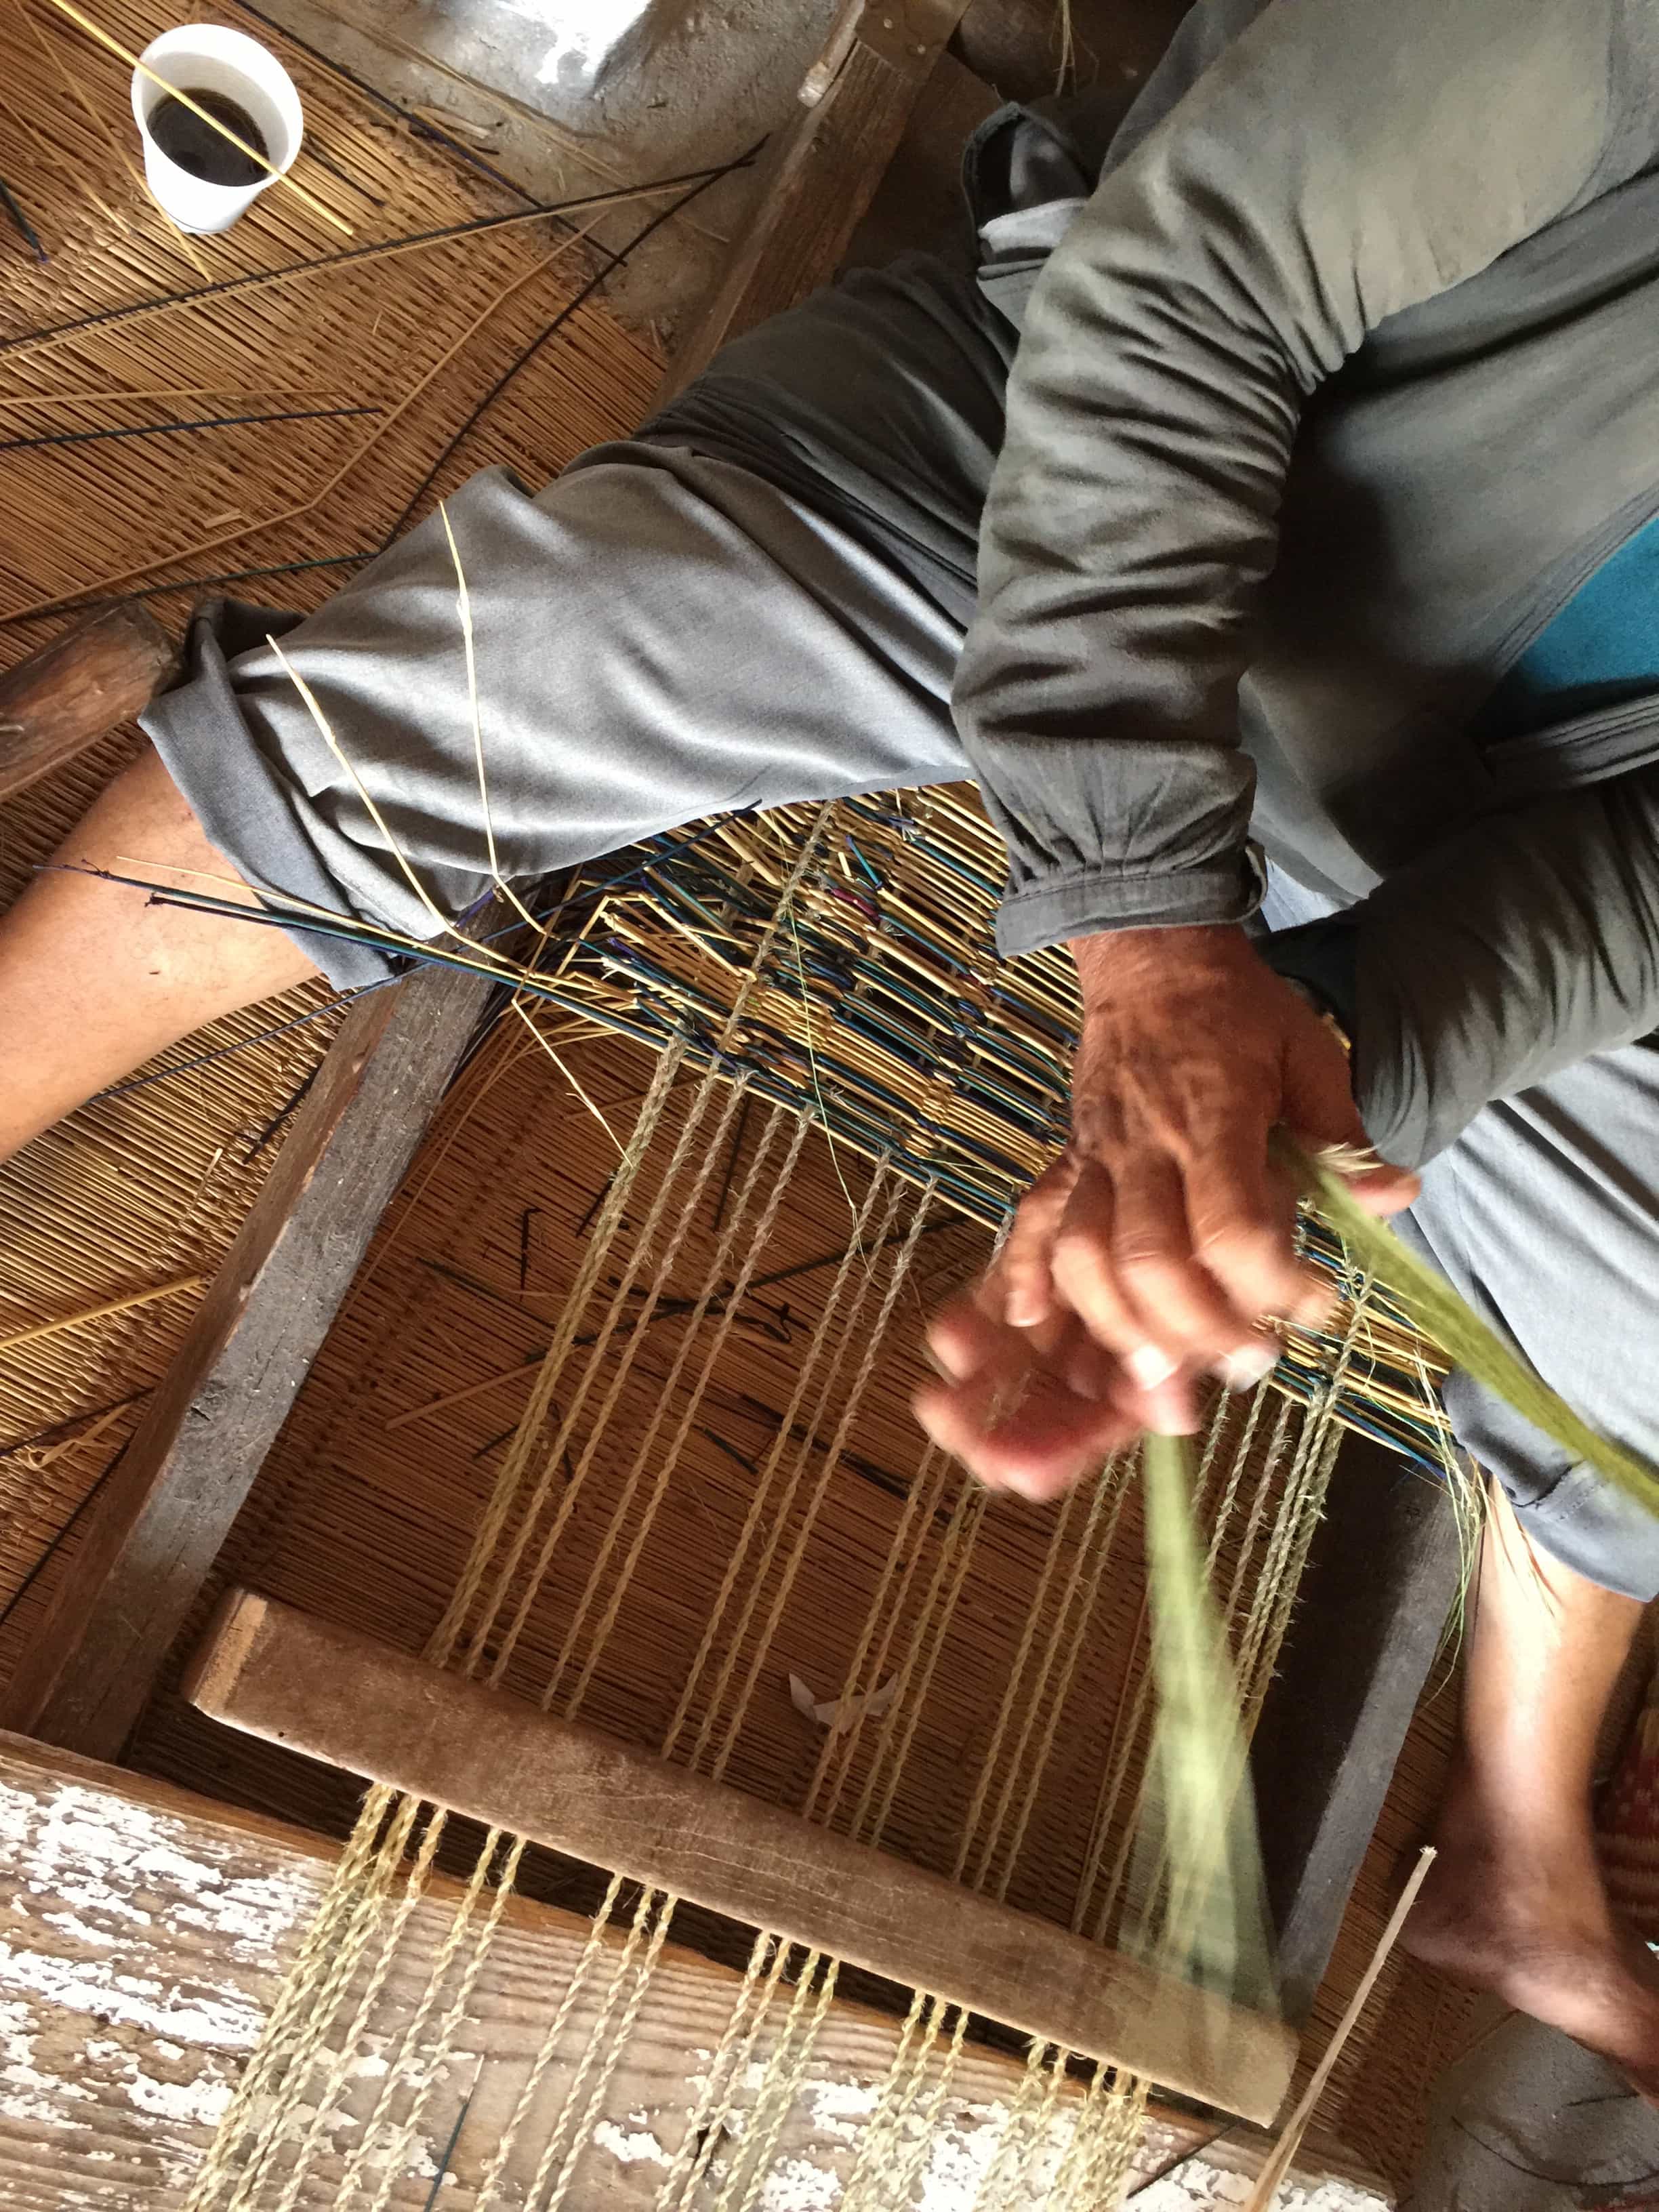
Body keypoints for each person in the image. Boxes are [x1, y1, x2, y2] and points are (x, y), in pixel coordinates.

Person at [5, 0, 1659, 2097]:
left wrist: (1332, 1045)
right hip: (1118, 463)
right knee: (554, 665)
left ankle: (1524, 1848)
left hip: (1467, 815)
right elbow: (1190, 295)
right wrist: (1152, 928)